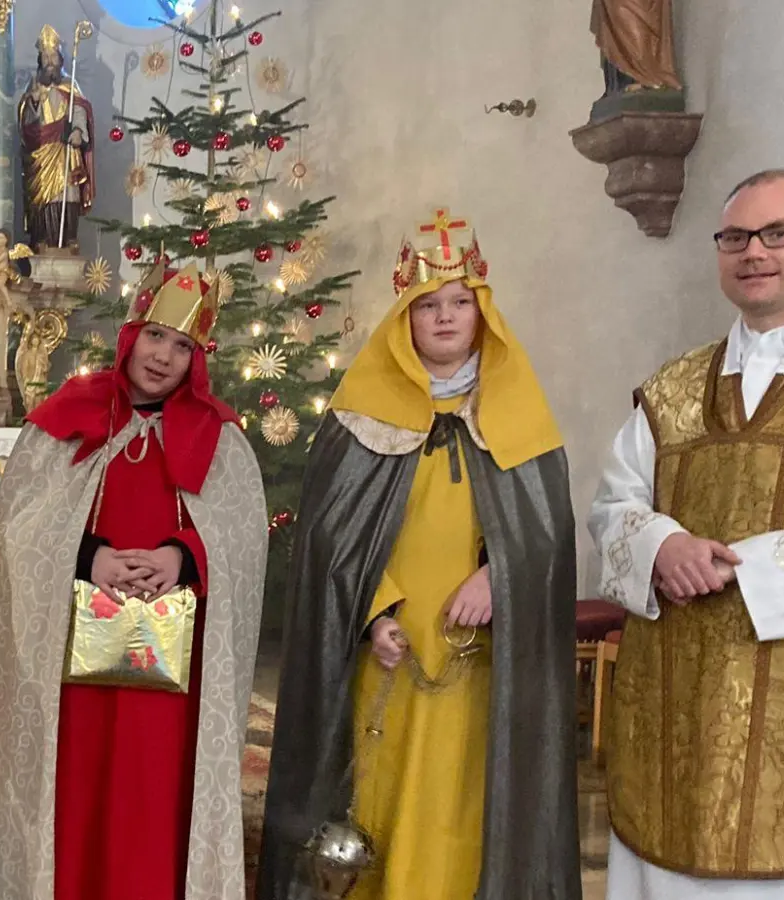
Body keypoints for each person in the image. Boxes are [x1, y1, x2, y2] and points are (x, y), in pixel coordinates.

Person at [257, 214, 581, 900]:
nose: (444, 318)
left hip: (479, 660)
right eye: (427, 305)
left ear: (480, 311)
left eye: (459, 302)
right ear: (405, 315)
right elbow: (331, 539)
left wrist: (502, 575)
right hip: (390, 655)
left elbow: (543, 535)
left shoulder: (517, 405)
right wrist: (375, 612)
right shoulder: (359, 412)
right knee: (382, 798)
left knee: (463, 805)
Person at [590, 169, 784, 898]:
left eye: (778, 233)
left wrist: (750, 569)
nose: (754, 252)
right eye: (735, 237)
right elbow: (613, 505)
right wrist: (661, 547)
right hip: (673, 703)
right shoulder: (671, 388)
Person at [0, 261, 269, 900]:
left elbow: (244, 541)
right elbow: (16, 533)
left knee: (152, 800)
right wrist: (90, 558)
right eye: (157, 336)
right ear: (132, 332)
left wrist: (182, 558)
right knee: (75, 795)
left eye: (182, 345)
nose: (164, 356)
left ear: (197, 358)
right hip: (69, 672)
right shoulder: (66, 418)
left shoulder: (219, 439)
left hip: (170, 679)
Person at [18, 25, 95, 252]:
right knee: (43, 195)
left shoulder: (70, 86)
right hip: (41, 152)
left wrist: (79, 132)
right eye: (45, 57)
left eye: (53, 56)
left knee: (67, 193)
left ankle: (68, 238)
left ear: (61, 59)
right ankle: (41, 238)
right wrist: (32, 101)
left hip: (65, 149)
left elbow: (80, 109)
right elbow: (24, 119)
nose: (50, 61)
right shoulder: (33, 86)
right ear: (40, 60)